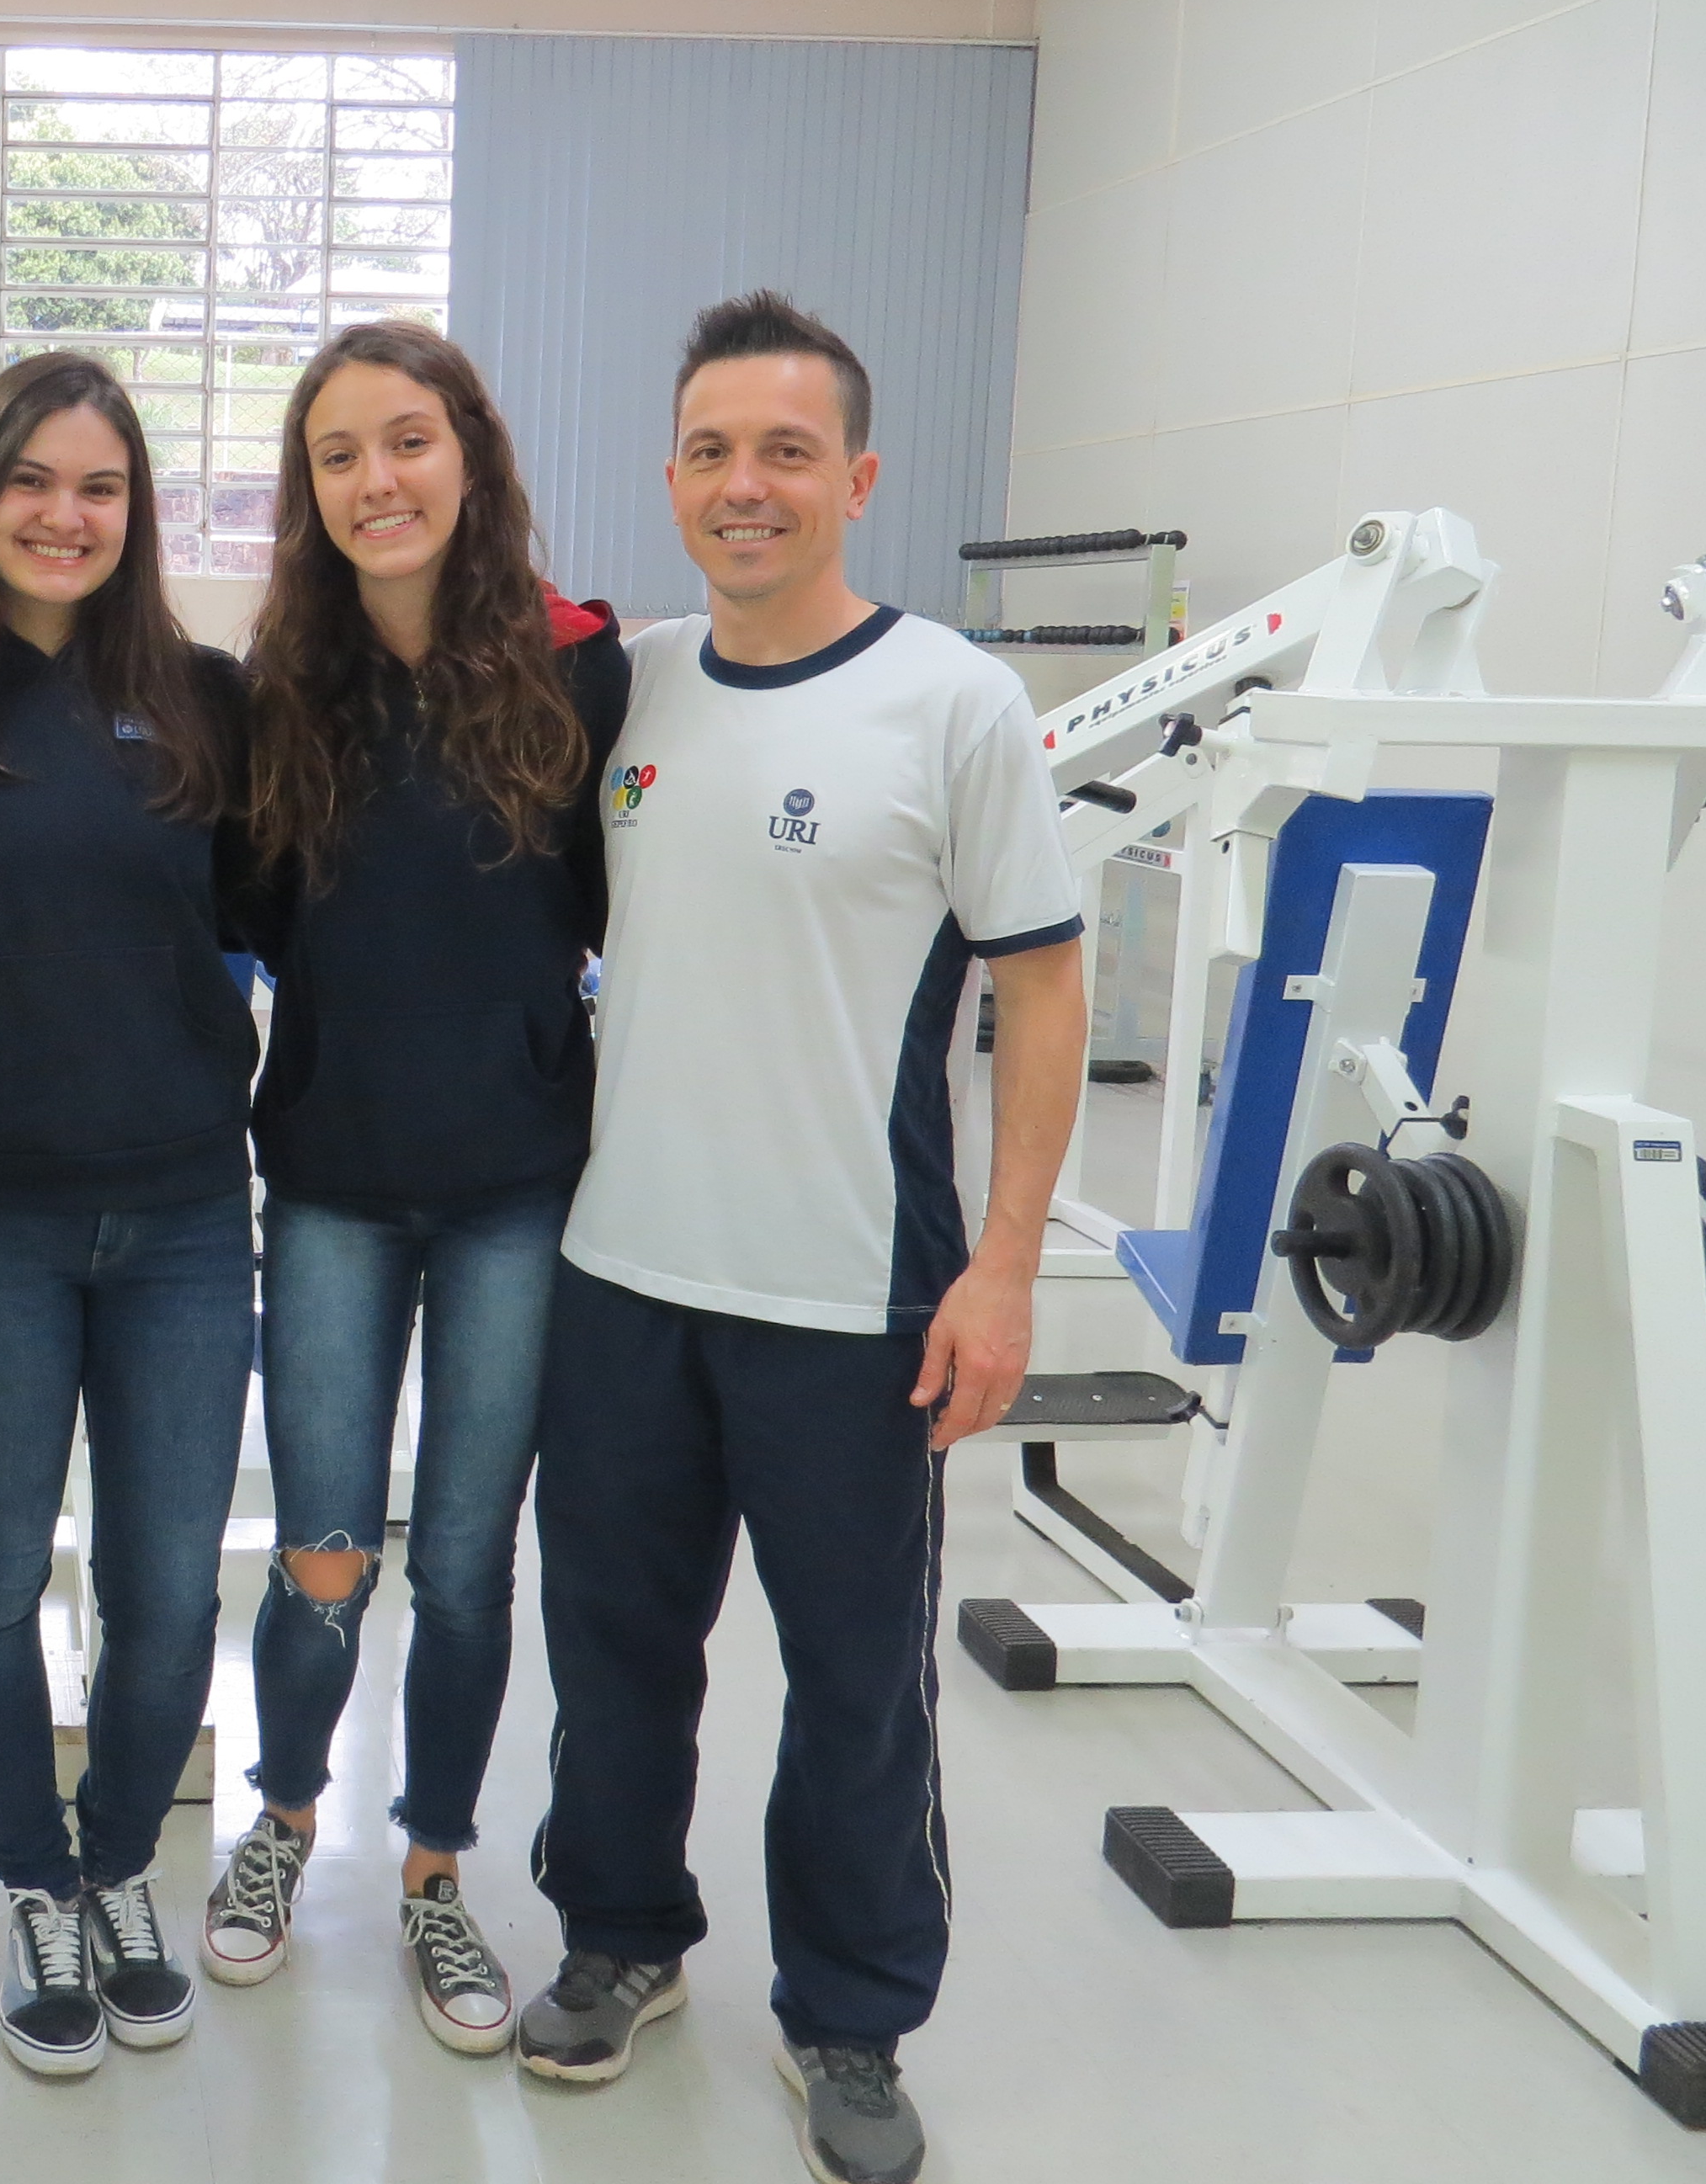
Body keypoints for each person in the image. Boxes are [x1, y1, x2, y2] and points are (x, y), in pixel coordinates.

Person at [513, 293, 1084, 2184]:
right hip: (621, 1275)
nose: (741, 485)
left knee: (854, 1686)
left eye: (783, 451)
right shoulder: (630, 690)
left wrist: (1003, 1269)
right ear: (670, 475)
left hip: (852, 1295)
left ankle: (849, 2014)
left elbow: (1043, 988)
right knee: (612, 1651)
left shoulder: (952, 700)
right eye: (709, 451)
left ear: (856, 477)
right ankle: (619, 1936)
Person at [208, 321, 626, 2054]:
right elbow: (242, 916)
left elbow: (615, 910)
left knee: (463, 1563)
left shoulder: (579, 675)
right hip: (330, 1186)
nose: (375, 480)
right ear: (308, 491)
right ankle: (283, 1817)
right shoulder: (278, 696)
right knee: (322, 1551)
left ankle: (436, 1869)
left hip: (516, 1190)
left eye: (405, 441)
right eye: (336, 455)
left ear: (468, 455)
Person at [0, 350, 256, 2080]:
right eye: (31, 480)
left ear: (134, 510)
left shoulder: (208, 701)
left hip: (180, 1220)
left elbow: (264, 911)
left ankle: (120, 1865)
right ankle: (31, 1878)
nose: (63, 515)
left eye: (98, 486)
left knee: (165, 1587)